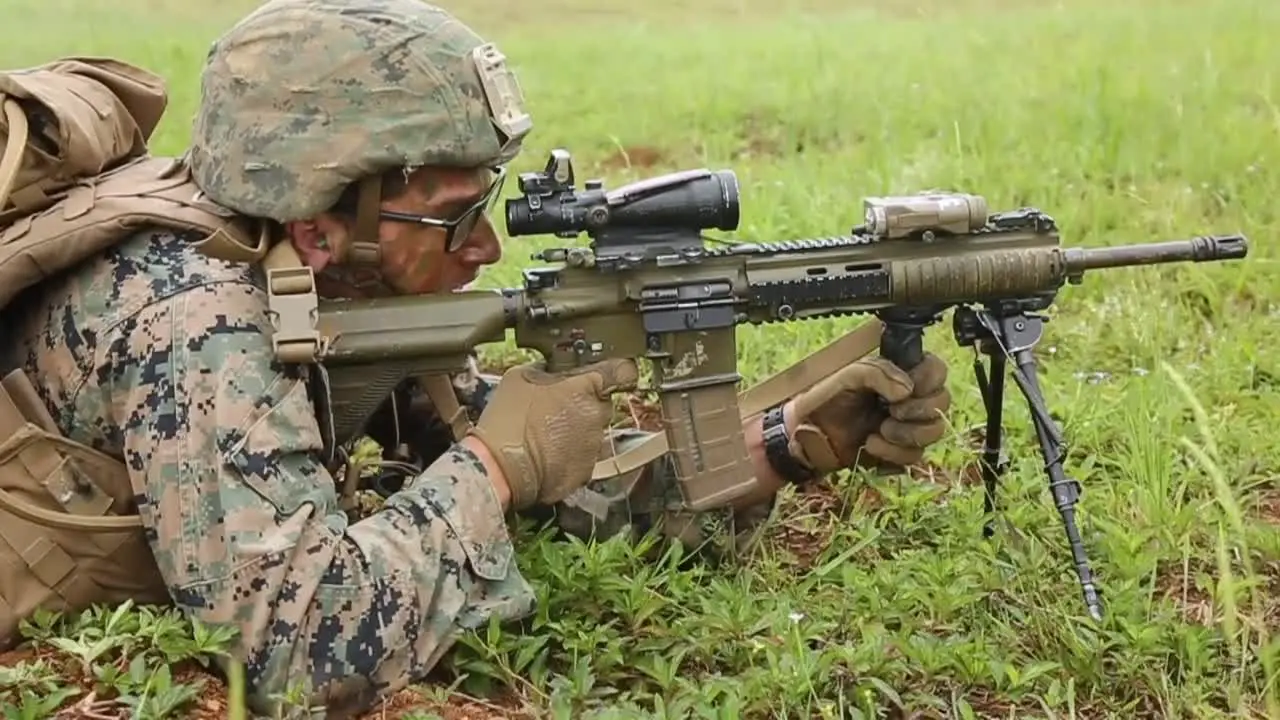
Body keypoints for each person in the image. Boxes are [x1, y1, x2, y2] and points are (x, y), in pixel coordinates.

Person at [0, 0, 952, 715]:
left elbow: (541, 486)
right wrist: (494, 467)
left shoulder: (334, 287)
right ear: (326, 220)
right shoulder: (195, 323)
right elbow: (292, 649)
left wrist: (780, 446)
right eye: (456, 217)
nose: (487, 248)